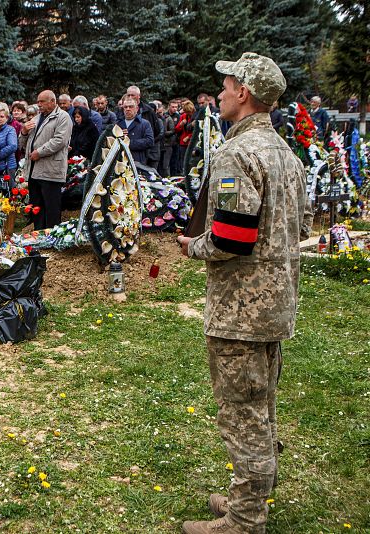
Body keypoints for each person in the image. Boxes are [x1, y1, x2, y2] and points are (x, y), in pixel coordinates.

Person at [177, 52, 312, 534]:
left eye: (227, 83)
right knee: (262, 408)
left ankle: (245, 519)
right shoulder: (286, 155)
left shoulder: (237, 154)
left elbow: (231, 238)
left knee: (243, 414)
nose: (220, 92)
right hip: (277, 307)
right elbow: (302, 226)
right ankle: (247, 497)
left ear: (244, 93)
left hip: (241, 312)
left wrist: (192, 246)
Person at [18, 90, 71, 230]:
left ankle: (52, 238)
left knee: (51, 209)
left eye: (42, 101)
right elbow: (22, 144)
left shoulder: (63, 117)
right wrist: (23, 132)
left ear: (52, 102)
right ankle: (39, 235)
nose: (39, 104)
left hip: (51, 172)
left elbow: (59, 141)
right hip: (34, 171)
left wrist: (39, 152)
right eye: (38, 101)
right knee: (37, 209)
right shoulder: (36, 118)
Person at [125, 86, 162, 169]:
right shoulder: (123, 111)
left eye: (132, 95)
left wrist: (145, 143)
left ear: (139, 96)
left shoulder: (148, 111)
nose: (130, 97)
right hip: (129, 154)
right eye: (128, 95)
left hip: (149, 152)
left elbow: (157, 131)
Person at [116, 96, 154, 165]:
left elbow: (150, 141)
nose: (128, 109)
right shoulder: (117, 124)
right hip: (120, 162)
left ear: (137, 108)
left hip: (138, 162)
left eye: (131, 107)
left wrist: (128, 142)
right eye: (125, 107)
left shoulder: (144, 123)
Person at [0, 104, 17, 193]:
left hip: (7, 167)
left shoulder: (10, 129)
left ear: (7, 118)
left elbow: (13, 146)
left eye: (2, 117)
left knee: (7, 193)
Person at [175, 99, 196, 171]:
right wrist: (181, 124)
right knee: (183, 159)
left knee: (192, 159)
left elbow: (197, 130)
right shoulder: (183, 116)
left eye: (189, 112)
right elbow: (176, 129)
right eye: (186, 112)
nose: (188, 114)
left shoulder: (196, 116)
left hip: (192, 142)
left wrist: (188, 137)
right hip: (183, 142)